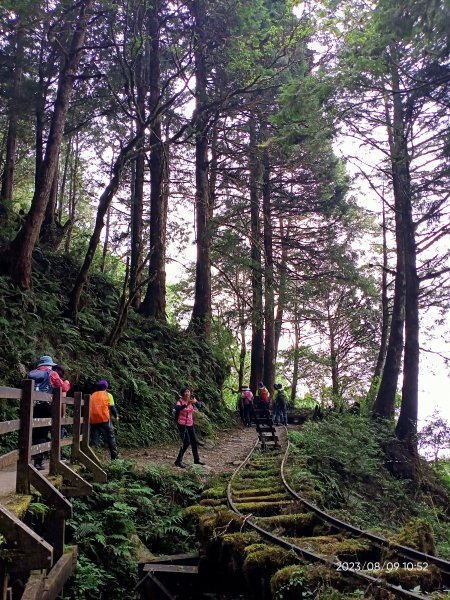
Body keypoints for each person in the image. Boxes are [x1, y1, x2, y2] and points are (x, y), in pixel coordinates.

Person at [28, 355, 71, 470]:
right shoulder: (52, 374)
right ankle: (39, 462)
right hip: (46, 406)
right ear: (49, 365)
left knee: (36, 432)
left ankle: (32, 458)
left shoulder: (31, 373)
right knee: (46, 432)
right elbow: (63, 388)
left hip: (32, 406)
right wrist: (66, 382)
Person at [174, 386, 205, 468]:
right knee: (186, 442)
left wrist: (195, 402)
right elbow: (177, 408)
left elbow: (200, 406)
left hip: (190, 424)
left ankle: (196, 460)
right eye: (185, 392)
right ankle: (178, 461)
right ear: (183, 394)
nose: (187, 393)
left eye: (188, 391)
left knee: (194, 441)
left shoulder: (192, 400)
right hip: (182, 424)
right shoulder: (180, 401)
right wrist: (186, 405)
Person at [89, 380, 119, 460]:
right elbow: (112, 407)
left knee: (94, 441)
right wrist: (116, 416)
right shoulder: (108, 395)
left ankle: (90, 458)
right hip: (104, 419)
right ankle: (115, 459)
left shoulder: (92, 395)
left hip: (93, 420)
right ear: (106, 387)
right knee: (111, 438)